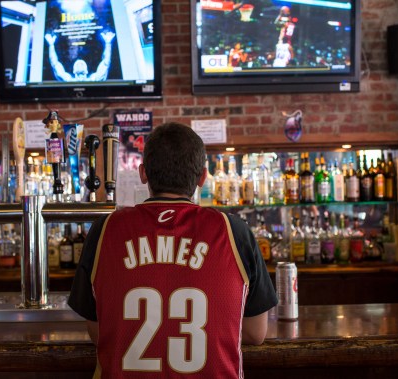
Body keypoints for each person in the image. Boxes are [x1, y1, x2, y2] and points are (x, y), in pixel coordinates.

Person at [69, 122, 277, 378]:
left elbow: (98, 331)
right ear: (203, 177)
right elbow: (256, 333)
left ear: (143, 173)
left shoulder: (105, 230)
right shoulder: (234, 231)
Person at [44, 31, 115, 82]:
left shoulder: (94, 79)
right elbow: (55, 64)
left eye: (82, 64)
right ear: (74, 70)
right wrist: (51, 45)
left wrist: (108, 43)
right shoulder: (68, 80)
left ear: (87, 71)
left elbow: (106, 63)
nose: (80, 64)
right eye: (78, 64)